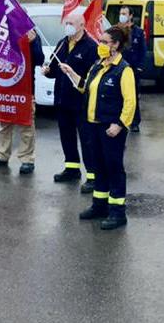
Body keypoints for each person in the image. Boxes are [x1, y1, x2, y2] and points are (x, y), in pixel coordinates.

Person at [59, 25, 137, 230]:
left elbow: (130, 101)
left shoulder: (124, 69)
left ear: (116, 45)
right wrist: (71, 73)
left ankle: (118, 212)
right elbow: (86, 86)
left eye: (104, 42)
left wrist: (120, 124)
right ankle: (99, 206)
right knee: (99, 167)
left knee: (114, 168)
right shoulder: (98, 65)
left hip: (111, 128)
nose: (100, 45)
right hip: (93, 125)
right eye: (100, 41)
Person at [42, 11, 98, 187]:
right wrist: (48, 71)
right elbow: (53, 68)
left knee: (87, 139)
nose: (68, 26)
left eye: (72, 23)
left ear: (82, 25)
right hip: (62, 99)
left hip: (81, 102)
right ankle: (72, 168)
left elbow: (93, 77)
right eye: (67, 23)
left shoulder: (90, 47)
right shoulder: (62, 43)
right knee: (67, 136)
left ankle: (93, 175)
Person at [0, 29, 45, 174]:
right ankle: (1, 154)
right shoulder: (2, 34)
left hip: (25, 89)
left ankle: (27, 159)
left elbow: (39, 60)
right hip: (6, 88)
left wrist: (33, 43)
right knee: (4, 123)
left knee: (26, 124)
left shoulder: (32, 35)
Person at [119, 7, 146, 133]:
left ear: (130, 16)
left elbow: (143, 51)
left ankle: (135, 122)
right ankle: (120, 120)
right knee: (118, 95)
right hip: (119, 68)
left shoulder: (138, 32)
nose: (121, 16)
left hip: (133, 69)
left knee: (133, 96)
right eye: (120, 13)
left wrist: (139, 67)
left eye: (124, 13)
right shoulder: (117, 30)